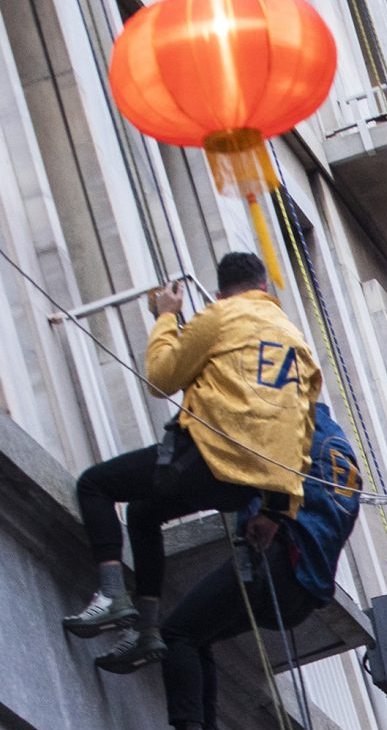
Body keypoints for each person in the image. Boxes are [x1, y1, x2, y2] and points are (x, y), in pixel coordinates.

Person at [69, 252, 319, 672]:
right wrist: (276, 510)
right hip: (248, 487)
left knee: (94, 485)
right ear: (265, 289)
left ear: (221, 292)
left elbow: (161, 378)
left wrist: (167, 316)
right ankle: (147, 628)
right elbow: (301, 433)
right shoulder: (299, 347)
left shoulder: (221, 315)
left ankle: (112, 594)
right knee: (144, 513)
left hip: (208, 458)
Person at [145, 400, 362, 730]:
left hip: (275, 561)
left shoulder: (292, 420)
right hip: (303, 591)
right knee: (198, 635)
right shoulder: (337, 448)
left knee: (176, 632)